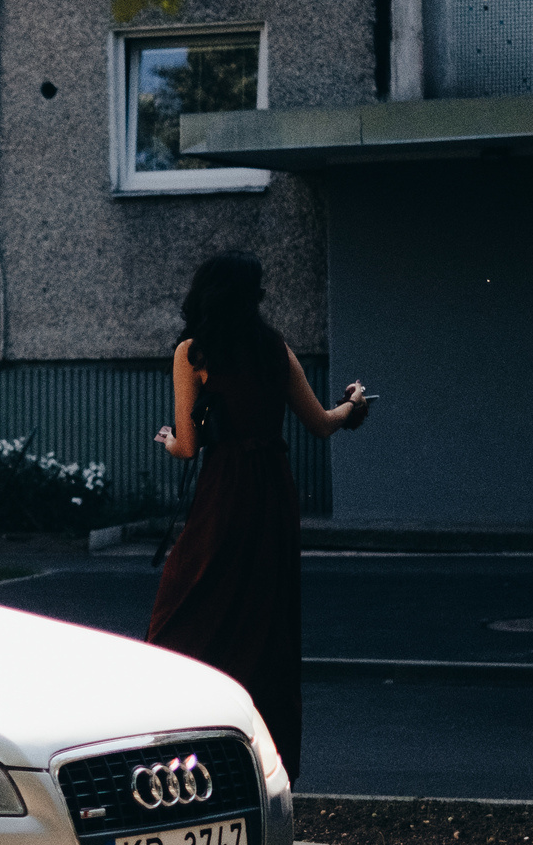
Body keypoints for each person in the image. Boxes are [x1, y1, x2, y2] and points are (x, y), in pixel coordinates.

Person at [146, 252, 370, 781]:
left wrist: (167, 442)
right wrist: (353, 405)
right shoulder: (275, 349)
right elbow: (320, 423)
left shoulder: (194, 352)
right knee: (265, 620)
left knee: (189, 598)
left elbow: (188, 446)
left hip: (225, 490)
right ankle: (263, 755)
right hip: (273, 493)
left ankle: (174, 721)